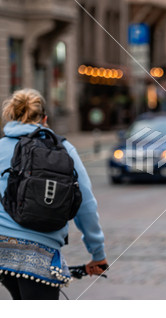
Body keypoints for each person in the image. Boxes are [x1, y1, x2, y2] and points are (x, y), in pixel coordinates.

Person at [0, 89, 107, 300]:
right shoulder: (63, 148)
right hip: (40, 253)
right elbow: (85, 205)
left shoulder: (1, 147)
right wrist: (97, 254)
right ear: (45, 119)